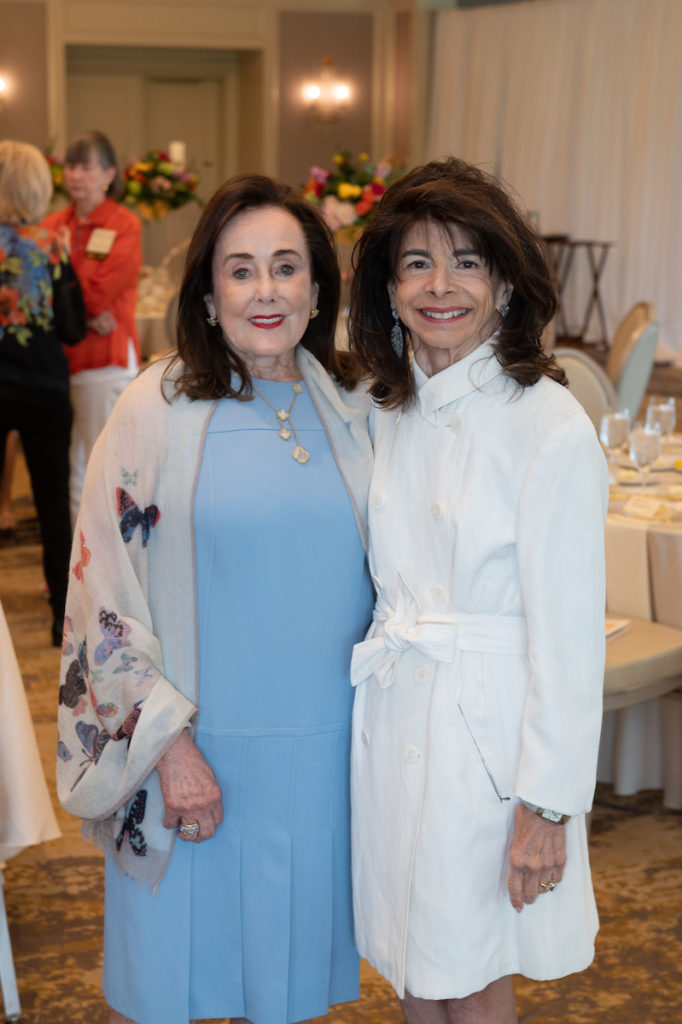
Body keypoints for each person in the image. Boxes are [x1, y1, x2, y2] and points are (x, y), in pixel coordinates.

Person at [56, 173, 374, 1024]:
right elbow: (100, 596)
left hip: (320, 768)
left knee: (288, 991)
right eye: (240, 270)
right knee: (166, 990)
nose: (266, 290)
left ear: (318, 289)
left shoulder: (358, 407)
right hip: (192, 756)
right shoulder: (154, 408)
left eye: (286, 267)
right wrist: (169, 749)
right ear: (206, 295)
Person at [348, 157, 608, 1024]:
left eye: (466, 261)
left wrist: (547, 805)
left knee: (473, 970)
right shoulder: (381, 408)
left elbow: (570, 642)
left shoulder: (547, 423)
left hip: (488, 740)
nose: (440, 285)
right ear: (389, 289)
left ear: (503, 283)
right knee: (413, 963)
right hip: (393, 714)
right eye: (416, 263)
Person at [0, 140, 86, 645]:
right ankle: (60, 619)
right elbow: (72, 328)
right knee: (53, 507)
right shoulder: (51, 244)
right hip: (44, 389)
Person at [43, 130, 142, 522]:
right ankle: (77, 552)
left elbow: (98, 295)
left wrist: (72, 300)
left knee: (105, 462)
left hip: (105, 361)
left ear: (108, 174)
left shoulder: (123, 224)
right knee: (71, 463)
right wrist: (81, 311)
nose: (75, 175)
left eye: (86, 167)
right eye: (70, 166)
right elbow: (38, 291)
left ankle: (109, 550)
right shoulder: (54, 223)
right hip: (59, 361)